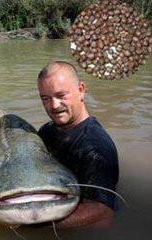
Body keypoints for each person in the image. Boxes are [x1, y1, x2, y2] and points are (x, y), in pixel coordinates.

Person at [37, 61, 119, 228]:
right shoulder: (47, 131)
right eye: (45, 98)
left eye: (61, 96)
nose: (53, 105)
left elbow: (102, 215)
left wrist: (34, 223)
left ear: (81, 90)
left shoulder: (96, 149)